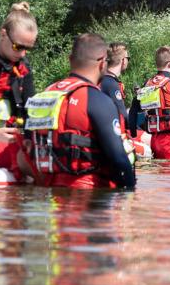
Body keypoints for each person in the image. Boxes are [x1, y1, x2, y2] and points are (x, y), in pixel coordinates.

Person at [22, 33, 135, 190]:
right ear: (103, 63)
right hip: (85, 196)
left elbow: (27, 147)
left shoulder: (44, 95)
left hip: (46, 193)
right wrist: (132, 196)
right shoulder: (97, 100)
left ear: (70, 59)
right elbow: (119, 160)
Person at [128, 46, 170, 162]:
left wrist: (134, 135)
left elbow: (133, 112)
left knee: (159, 172)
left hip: (155, 140)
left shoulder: (148, 85)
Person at [0, 4, 37, 137]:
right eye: (18, 47)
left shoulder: (23, 67)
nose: (23, 54)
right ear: (3, 34)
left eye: (28, 48)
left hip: (14, 145)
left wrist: (29, 139)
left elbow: (31, 111)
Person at [99, 42, 130, 124]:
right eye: (128, 58)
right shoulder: (111, 84)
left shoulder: (101, 79)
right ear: (123, 61)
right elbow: (123, 116)